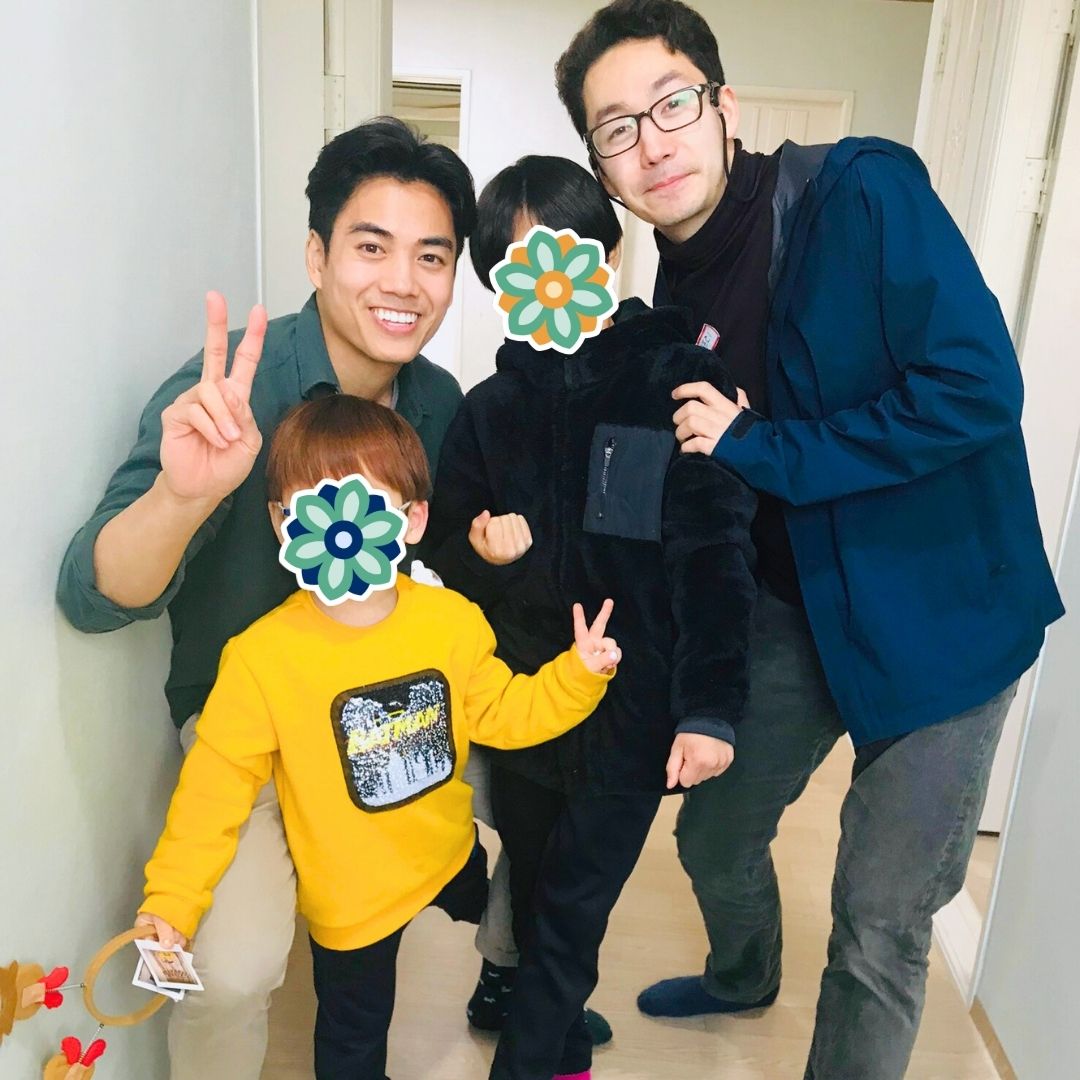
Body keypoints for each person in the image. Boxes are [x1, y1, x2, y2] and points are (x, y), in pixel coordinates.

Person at [555, 2, 1065, 1077]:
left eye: (673, 104)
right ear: (600, 165)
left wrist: (765, 447)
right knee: (711, 832)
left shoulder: (862, 191)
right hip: (798, 607)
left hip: (944, 621)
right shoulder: (669, 289)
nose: (652, 143)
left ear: (725, 104)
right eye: (615, 129)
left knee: (879, 918)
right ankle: (745, 971)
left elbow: (977, 387)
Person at [55, 117, 490, 1080]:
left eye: (432, 255)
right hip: (249, 731)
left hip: (378, 715)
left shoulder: (441, 404)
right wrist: (185, 493)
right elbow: (93, 595)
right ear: (317, 254)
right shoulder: (230, 394)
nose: (402, 282)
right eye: (370, 246)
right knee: (228, 967)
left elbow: (442, 571)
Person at [134, 394, 621, 1080]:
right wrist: (171, 903)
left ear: (413, 517)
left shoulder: (450, 621)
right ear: (282, 525)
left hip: (446, 856)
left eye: (362, 499)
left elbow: (505, 713)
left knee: (526, 895)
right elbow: (211, 792)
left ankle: (512, 988)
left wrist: (577, 675)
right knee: (353, 1039)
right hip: (352, 898)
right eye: (310, 506)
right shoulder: (261, 657)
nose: (341, 522)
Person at [425, 154, 758, 1080]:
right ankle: (560, 1038)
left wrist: (707, 709)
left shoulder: (676, 380)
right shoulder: (489, 411)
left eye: (565, 250)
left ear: (607, 255)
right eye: (516, 264)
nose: (548, 277)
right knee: (534, 900)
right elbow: (442, 545)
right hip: (528, 709)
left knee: (573, 910)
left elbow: (715, 554)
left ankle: (530, 1060)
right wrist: (478, 548)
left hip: (633, 715)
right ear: (499, 286)